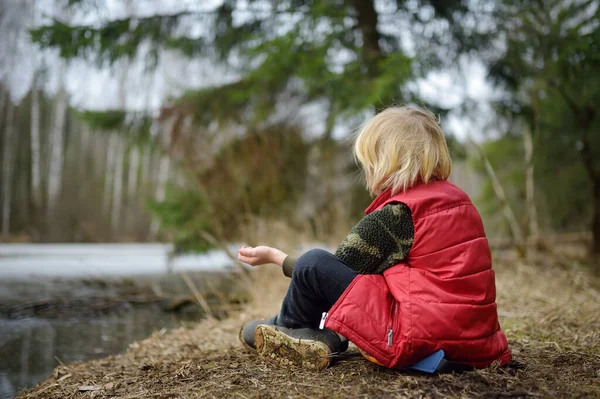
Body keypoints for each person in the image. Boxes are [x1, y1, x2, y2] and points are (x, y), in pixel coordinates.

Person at [237, 105, 512, 371]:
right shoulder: (461, 203)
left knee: (312, 262)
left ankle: (288, 327)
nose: (366, 171)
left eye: (368, 162)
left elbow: (332, 270)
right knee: (372, 277)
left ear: (385, 163)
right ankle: (321, 336)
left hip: (419, 335)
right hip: (475, 342)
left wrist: (276, 257)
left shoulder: (398, 214)